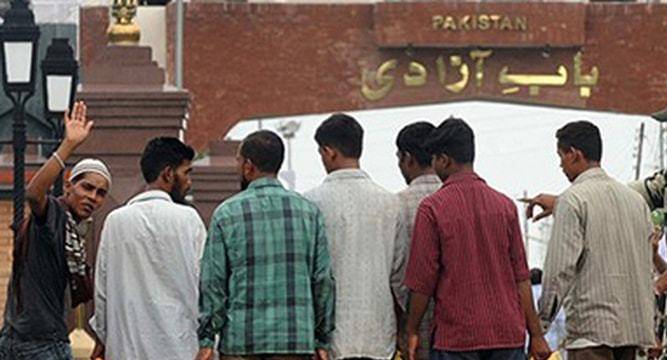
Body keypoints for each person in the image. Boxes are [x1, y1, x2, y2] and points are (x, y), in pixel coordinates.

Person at [403, 117, 550, 360]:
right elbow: (521, 277)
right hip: (508, 336)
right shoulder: (504, 206)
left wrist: (412, 330)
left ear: (444, 160)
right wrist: (535, 335)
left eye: (435, 159)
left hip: (458, 339)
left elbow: (422, 281)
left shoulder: (432, 209)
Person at [196, 130, 335, 360]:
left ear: (249, 166)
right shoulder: (309, 213)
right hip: (295, 343)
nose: (237, 167)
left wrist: (207, 338)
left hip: (241, 344)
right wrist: (321, 338)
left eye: (238, 161)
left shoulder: (226, 213)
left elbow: (213, 283)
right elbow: (323, 280)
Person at [525, 121, 654, 360]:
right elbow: (647, 269)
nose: (560, 165)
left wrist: (540, 328)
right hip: (634, 331)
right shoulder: (636, 202)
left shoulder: (572, 200)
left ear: (575, 154)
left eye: (561, 156)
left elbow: (559, 270)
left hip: (592, 334)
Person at [0, 102, 111, 359]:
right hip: (38, 346)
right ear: (69, 185)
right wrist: (68, 145)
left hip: (28, 340)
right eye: (87, 188)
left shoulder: (73, 228)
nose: (93, 197)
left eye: (101, 193)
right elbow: (33, 193)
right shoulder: (54, 213)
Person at [89, 137, 206, 359]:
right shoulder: (189, 220)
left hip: (126, 350)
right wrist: (208, 341)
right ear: (168, 174)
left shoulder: (115, 222)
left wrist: (103, 339)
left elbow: (102, 293)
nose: (189, 181)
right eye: (186, 173)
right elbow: (205, 285)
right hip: (180, 350)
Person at [304, 113, 406, 360]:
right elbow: (400, 277)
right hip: (379, 339)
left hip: (330, 341)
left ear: (329, 152)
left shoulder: (310, 203)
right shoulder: (390, 203)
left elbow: (309, 275)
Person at [394, 122, 442, 360]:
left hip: (413, 332)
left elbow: (396, 274)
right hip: (457, 331)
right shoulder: (454, 198)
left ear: (408, 158)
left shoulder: (395, 206)